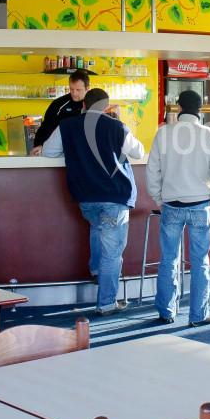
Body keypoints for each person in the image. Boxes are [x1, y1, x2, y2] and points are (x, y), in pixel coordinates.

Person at [42, 87, 145, 315]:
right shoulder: (116, 126)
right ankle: (107, 303)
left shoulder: (67, 126)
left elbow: (48, 152)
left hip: (86, 198)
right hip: (113, 196)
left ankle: (98, 274)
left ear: (84, 105)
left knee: (97, 229)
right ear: (106, 107)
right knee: (113, 252)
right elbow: (139, 152)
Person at [146, 89, 210, 327]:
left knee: (168, 260)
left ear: (179, 108)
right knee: (200, 261)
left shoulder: (163, 134)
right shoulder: (209, 135)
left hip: (171, 205)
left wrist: (158, 198)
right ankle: (198, 315)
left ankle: (166, 312)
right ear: (200, 110)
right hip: (200, 205)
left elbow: (152, 171)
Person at [30, 68, 90, 155]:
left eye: (78, 90)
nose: (74, 93)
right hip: (59, 153)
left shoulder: (92, 104)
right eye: (71, 89)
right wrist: (39, 145)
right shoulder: (59, 104)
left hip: (84, 152)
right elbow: (45, 127)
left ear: (87, 88)